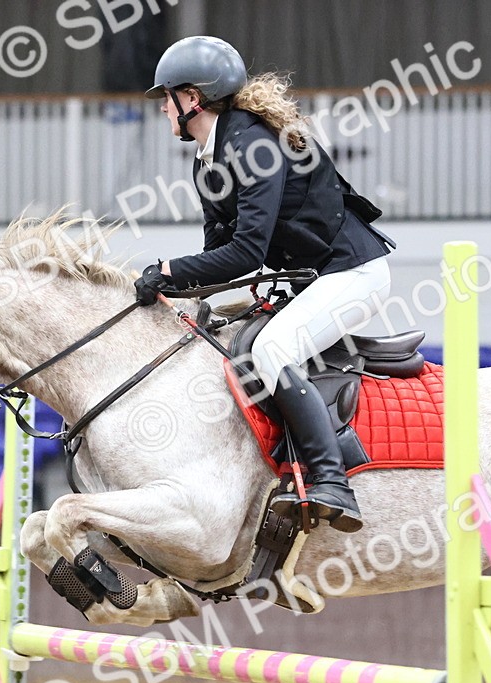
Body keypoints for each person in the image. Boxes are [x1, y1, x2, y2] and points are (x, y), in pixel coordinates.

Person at [134, 36, 394, 533]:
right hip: (310, 279)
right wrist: (172, 290)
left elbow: (248, 253)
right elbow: (217, 256)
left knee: (274, 350)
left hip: (351, 273)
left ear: (192, 98)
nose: (163, 108)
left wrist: (170, 271)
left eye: (167, 97)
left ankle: (333, 481)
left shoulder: (252, 146)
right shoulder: (206, 161)